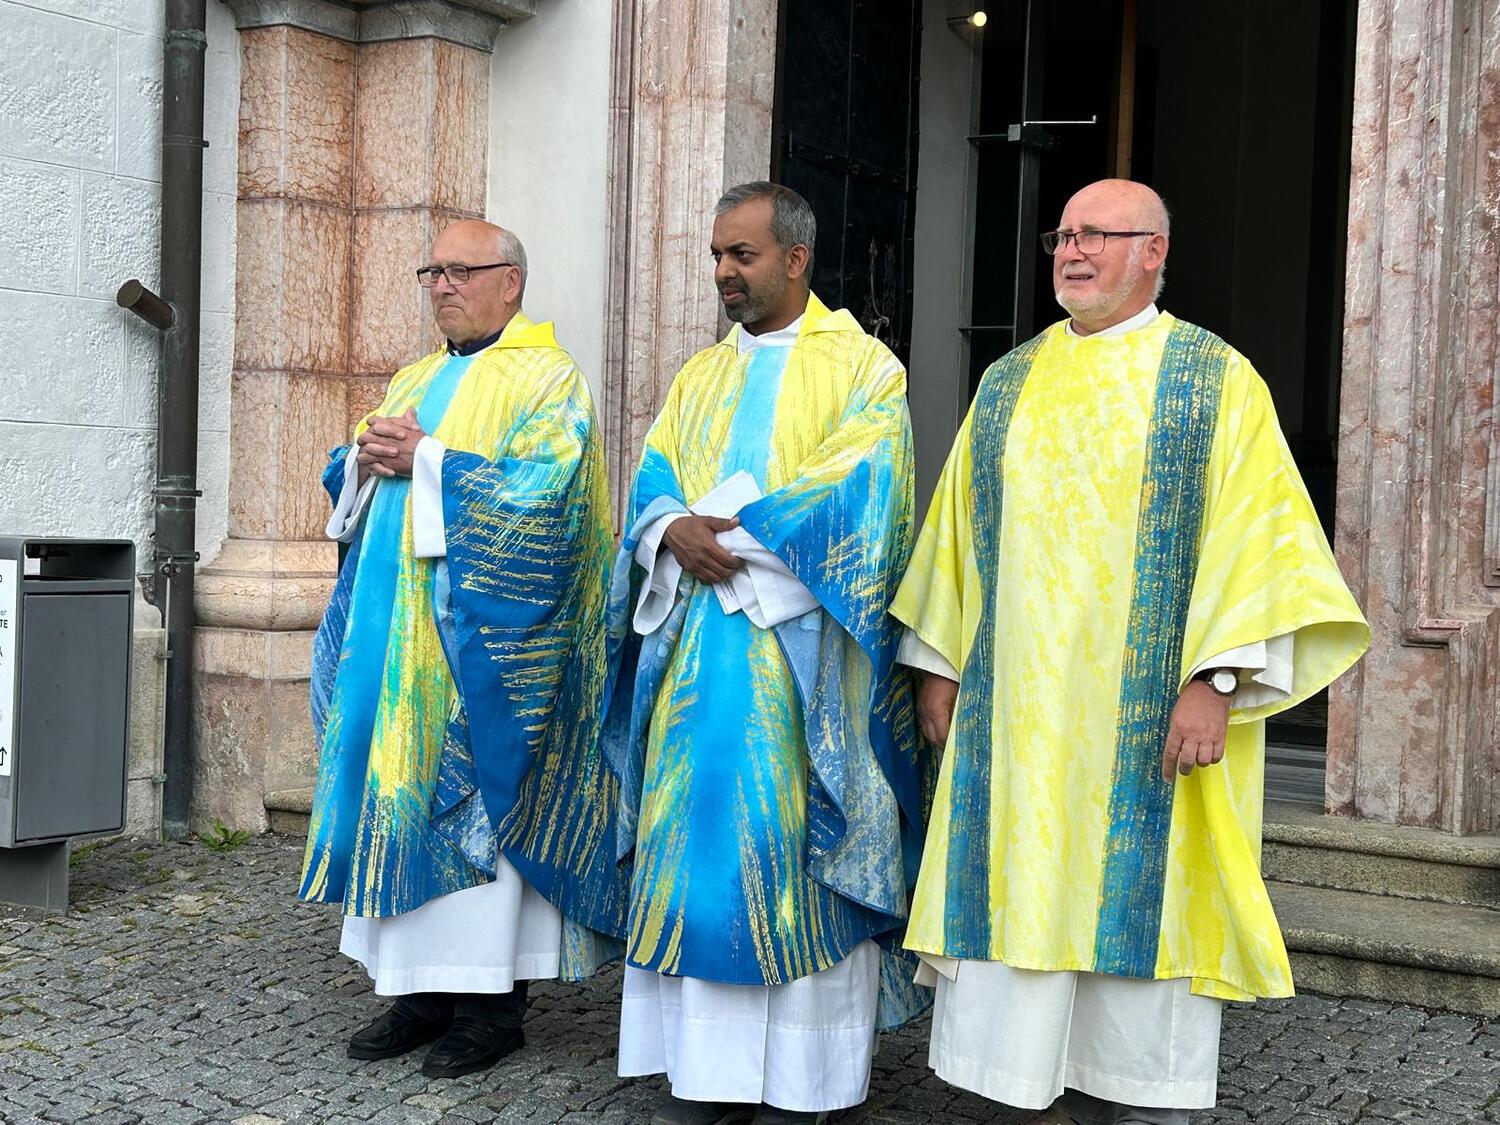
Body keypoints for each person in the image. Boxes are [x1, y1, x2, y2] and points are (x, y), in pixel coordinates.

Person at [891, 179, 1369, 1125]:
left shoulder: (1212, 379)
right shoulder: (1008, 381)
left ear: (1154, 251)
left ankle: (1141, 1101)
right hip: (1020, 723)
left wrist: (1217, 678)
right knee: (1022, 902)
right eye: (1063, 235)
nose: (1071, 251)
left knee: (1144, 917)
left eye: (1095, 235)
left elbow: (1260, 542)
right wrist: (938, 663)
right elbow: (957, 534)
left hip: (1154, 720)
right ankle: (1024, 1094)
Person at [603, 182, 933, 1124]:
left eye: (740, 255)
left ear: (795, 258)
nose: (723, 273)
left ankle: (805, 1085)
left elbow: (864, 494)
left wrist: (730, 543)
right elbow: (654, 479)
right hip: (693, 661)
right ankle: (701, 1076)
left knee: (788, 857)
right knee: (693, 854)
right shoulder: (699, 377)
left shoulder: (865, 369)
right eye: (716, 255)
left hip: (805, 671)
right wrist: (668, 530)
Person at [299, 219, 627, 1079]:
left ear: (510, 281)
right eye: (433, 271)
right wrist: (361, 461)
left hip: (478, 651)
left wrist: (431, 459)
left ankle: (490, 1005)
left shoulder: (549, 379)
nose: (442, 285)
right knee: (399, 806)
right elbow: (360, 483)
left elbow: (547, 504)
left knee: (475, 808)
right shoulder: (414, 376)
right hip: (392, 645)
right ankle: (417, 994)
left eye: (460, 270)